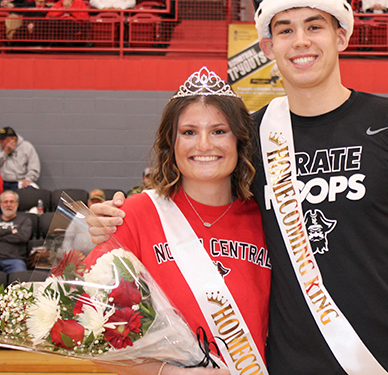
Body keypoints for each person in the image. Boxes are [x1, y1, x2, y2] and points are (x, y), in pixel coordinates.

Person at [92, 0, 388, 375]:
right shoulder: (249, 138)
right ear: (267, 45)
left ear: (343, 34)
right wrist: (113, 220)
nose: (301, 41)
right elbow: (189, 210)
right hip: (294, 364)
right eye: (285, 30)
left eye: (315, 25)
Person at [88, 67, 268, 375]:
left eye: (218, 131)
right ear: (171, 144)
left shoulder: (269, 219)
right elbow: (90, 332)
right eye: (189, 132)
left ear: (240, 140)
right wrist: (169, 373)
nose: (204, 145)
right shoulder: (134, 215)